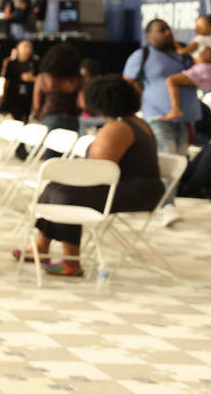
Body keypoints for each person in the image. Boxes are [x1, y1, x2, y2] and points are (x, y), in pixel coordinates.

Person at [17, 75, 167, 277]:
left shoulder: (118, 128)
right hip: (137, 187)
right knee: (53, 188)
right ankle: (40, 248)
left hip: (137, 192)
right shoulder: (135, 122)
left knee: (65, 196)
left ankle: (72, 261)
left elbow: (97, 171)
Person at [124, 19, 196, 155]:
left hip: (185, 118)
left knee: (181, 161)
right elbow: (127, 81)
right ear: (149, 36)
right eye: (162, 30)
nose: (168, 33)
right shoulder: (142, 55)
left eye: (169, 29)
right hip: (157, 117)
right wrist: (145, 94)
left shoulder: (185, 52)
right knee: (168, 157)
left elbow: (208, 69)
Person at [32, 42, 84, 156]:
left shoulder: (43, 77)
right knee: (66, 158)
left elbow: (37, 105)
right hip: (71, 119)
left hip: (50, 117)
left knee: (50, 159)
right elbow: (82, 103)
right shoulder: (78, 79)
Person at [162, 46, 211, 121]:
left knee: (171, 80)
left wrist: (176, 45)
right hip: (200, 74)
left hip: (198, 72)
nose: (193, 59)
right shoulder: (210, 67)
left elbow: (182, 52)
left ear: (203, 58)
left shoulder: (201, 65)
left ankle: (175, 109)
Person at [0, 39, 38, 121]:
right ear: (18, 48)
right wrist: (3, 96)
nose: (27, 50)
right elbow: (7, 82)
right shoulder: (11, 64)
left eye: (30, 47)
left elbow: (40, 80)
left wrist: (31, 78)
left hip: (28, 99)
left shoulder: (36, 63)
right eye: (25, 47)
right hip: (13, 98)